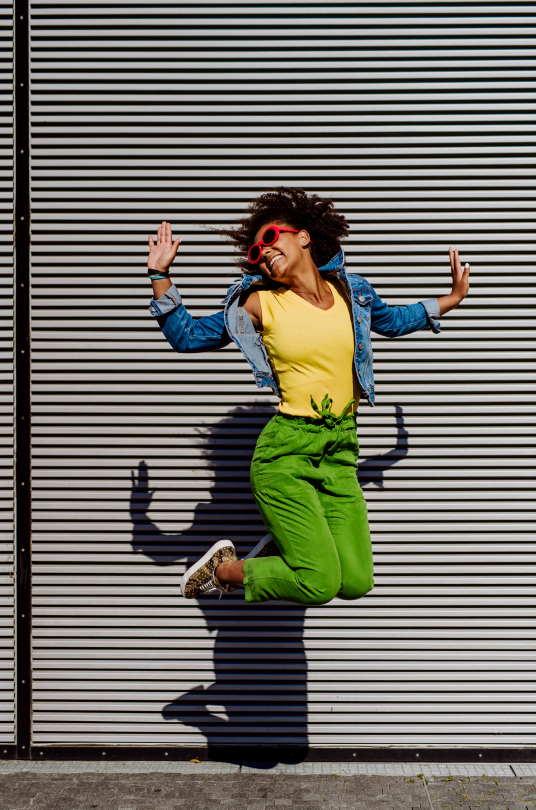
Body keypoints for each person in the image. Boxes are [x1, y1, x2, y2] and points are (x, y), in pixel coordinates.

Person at [147, 187, 470, 607]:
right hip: (287, 452)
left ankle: (283, 554)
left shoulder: (351, 293)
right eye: (254, 252)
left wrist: (453, 298)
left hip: (341, 449)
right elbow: (188, 337)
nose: (262, 252)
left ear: (303, 236)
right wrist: (160, 277)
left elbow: (394, 321)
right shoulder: (261, 303)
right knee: (318, 583)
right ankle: (224, 570)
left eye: (270, 238)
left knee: (354, 582)